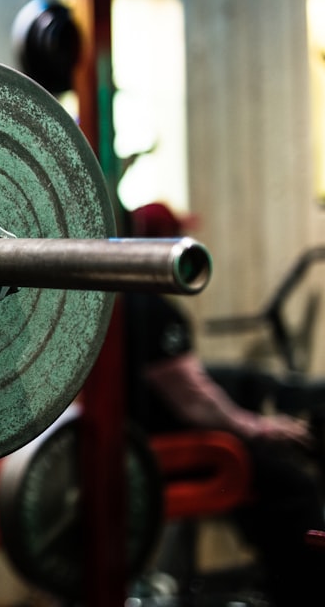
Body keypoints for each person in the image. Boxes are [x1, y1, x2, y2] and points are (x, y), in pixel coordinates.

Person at [124, 202, 325, 606]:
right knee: (293, 485)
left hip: (144, 442)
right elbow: (195, 402)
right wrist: (259, 427)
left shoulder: (122, 302)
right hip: (170, 453)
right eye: (177, 236)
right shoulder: (150, 308)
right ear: (161, 244)